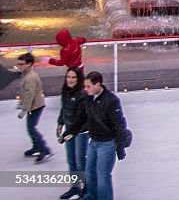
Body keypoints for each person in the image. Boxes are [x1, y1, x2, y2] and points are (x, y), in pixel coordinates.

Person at [61, 72, 131, 200]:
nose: (85, 89)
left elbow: (119, 124)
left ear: (98, 85)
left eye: (88, 86)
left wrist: (120, 146)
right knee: (89, 173)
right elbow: (82, 118)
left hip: (107, 144)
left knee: (103, 176)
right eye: (85, 86)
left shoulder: (111, 100)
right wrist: (69, 132)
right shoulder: (88, 98)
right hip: (93, 141)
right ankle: (92, 197)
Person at [57, 66, 88, 199]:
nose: (70, 80)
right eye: (68, 77)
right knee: (71, 160)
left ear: (79, 79)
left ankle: (85, 189)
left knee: (80, 161)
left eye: (73, 77)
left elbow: (81, 117)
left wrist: (70, 132)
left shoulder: (82, 94)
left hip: (81, 132)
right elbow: (64, 109)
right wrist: (60, 123)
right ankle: (75, 187)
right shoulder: (65, 91)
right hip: (69, 130)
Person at [15, 52, 52, 163]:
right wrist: (21, 102)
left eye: (21, 64)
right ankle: (36, 146)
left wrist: (24, 109)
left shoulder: (30, 77)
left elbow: (29, 94)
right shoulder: (26, 74)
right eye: (18, 64)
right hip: (33, 105)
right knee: (30, 127)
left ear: (29, 64)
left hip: (35, 106)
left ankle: (44, 149)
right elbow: (25, 91)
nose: (19, 66)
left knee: (32, 128)